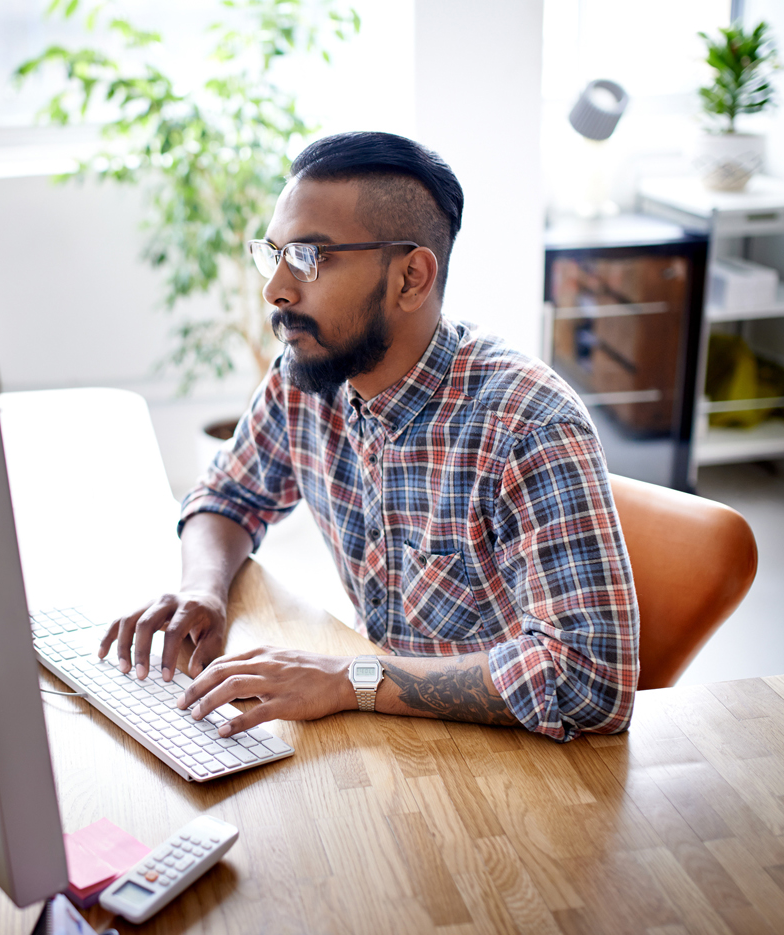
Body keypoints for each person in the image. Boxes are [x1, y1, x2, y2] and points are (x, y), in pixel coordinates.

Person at [99, 131, 638, 743]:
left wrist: (348, 680)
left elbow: (590, 681)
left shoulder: (528, 426)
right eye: (271, 254)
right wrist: (203, 590)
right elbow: (228, 496)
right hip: (388, 745)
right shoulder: (308, 378)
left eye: (309, 257)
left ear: (411, 278)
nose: (274, 289)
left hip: (513, 770)